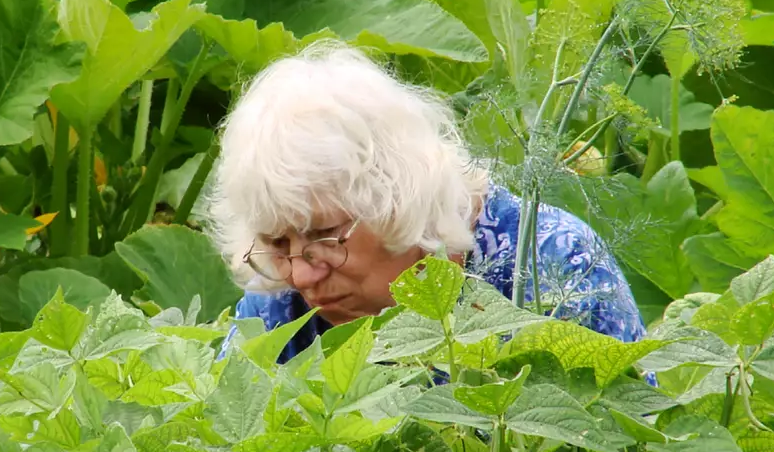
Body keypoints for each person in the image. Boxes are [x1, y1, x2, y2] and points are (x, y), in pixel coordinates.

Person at [207, 39, 645, 357]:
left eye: (324, 235)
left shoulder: (552, 267)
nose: (301, 276)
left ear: (399, 198)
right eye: (278, 245)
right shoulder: (277, 301)